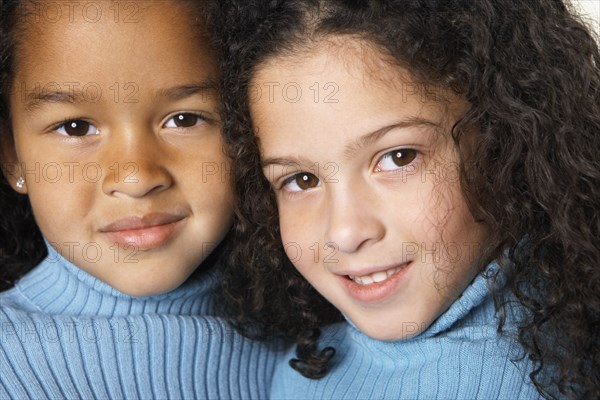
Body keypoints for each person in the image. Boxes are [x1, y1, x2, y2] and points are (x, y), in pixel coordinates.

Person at [214, 0, 600, 398]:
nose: (345, 232)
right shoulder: (297, 371)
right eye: (302, 179)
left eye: (398, 158)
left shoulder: (564, 374)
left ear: (505, 135)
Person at [0, 0, 281, 398]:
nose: (135, 178)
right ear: (13, 157)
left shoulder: (311, 344)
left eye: (185, 119)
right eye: (76, 127)